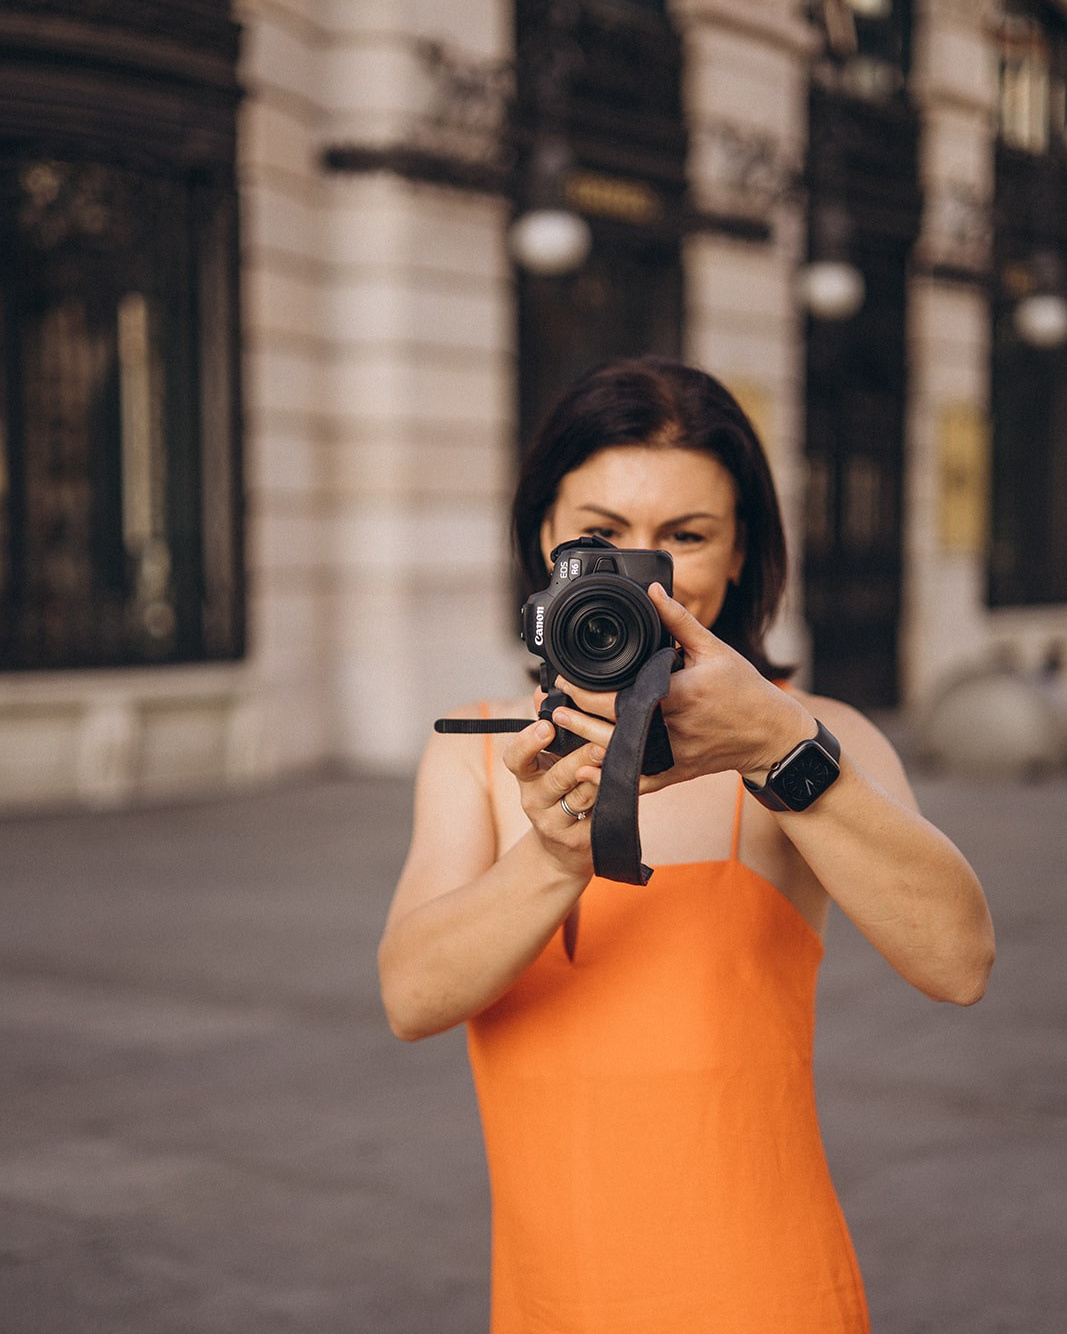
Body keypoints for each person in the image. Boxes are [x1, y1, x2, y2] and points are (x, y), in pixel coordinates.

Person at [378, 355, 995, 1333]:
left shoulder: (813, 732)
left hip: (764, 1293)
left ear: (740, 552)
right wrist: (550, 857)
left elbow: (958, 961)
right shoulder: (480, 749)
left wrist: (777, 746)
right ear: (544, 538)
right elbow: (411, 996)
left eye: (684, 536)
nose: (640, 570)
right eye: (599, 534)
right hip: (555, 1300)